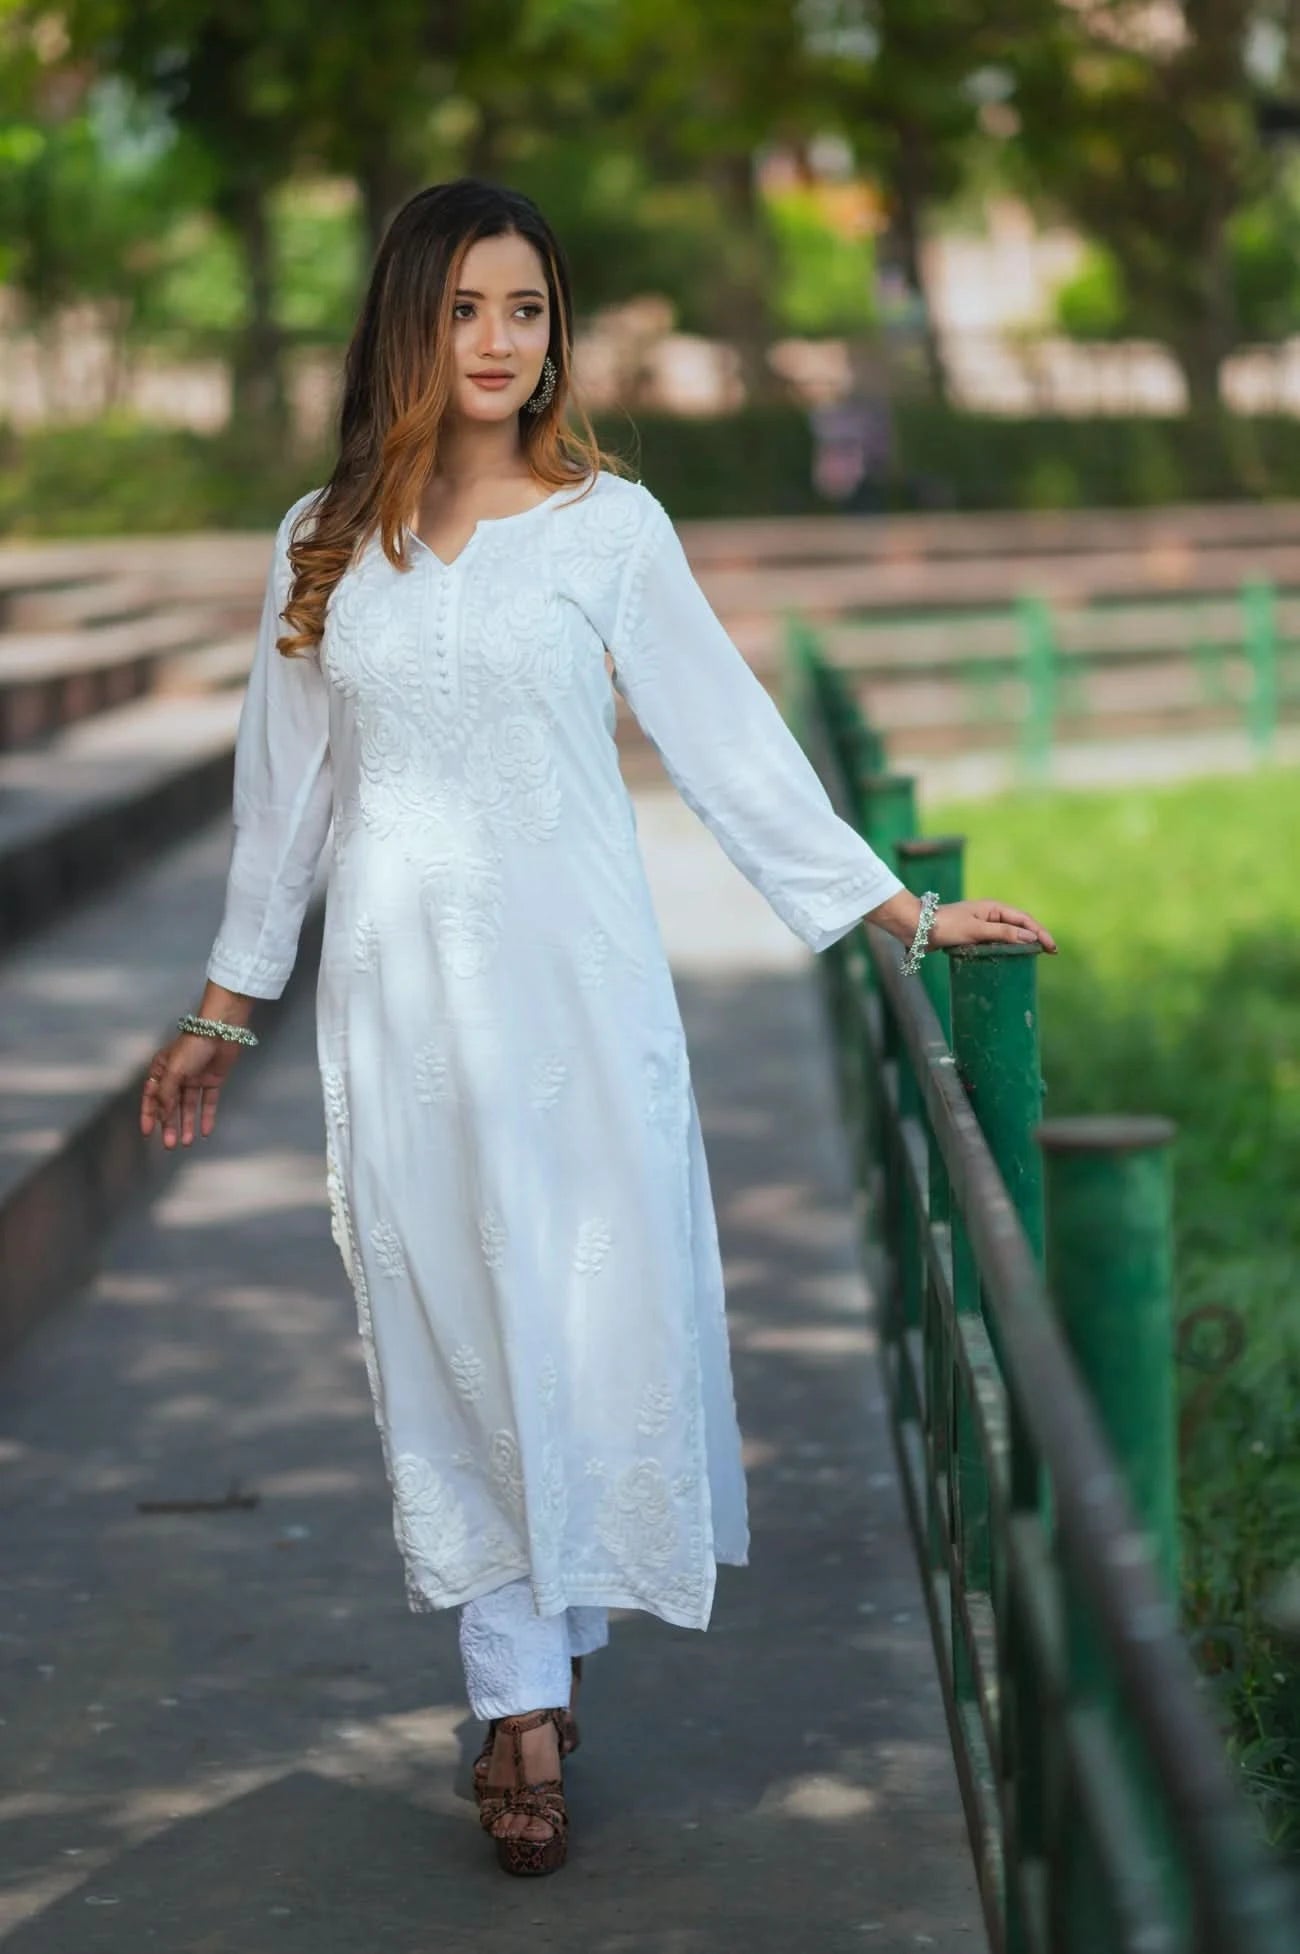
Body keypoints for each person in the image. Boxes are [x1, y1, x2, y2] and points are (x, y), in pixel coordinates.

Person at [138, 177, 1056, 1878]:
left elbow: (729, 738)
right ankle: (521, 1704)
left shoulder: (610, 527)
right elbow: (286, 806)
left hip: (584, 996)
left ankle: (536, 1666)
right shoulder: (324, 535)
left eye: (530, 310)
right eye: (468, 308)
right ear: (409, 321)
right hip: (401, 1009)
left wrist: (900, 911)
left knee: (571, 1328)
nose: (499, 342)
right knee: (453, 1340)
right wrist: (220, 1011)